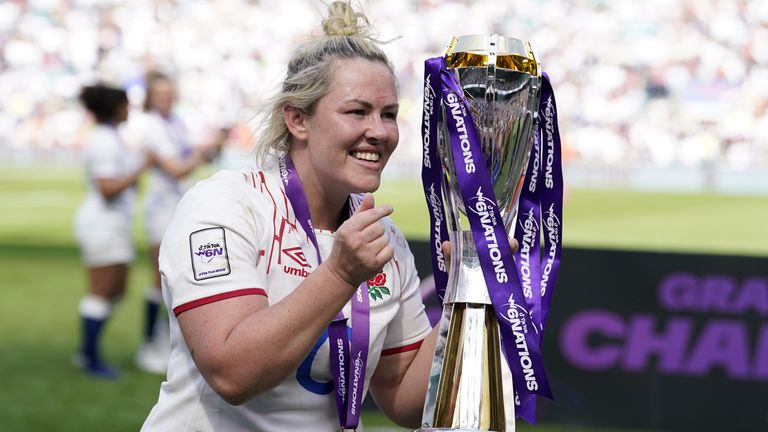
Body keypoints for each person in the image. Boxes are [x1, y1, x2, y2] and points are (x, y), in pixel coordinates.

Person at [141, 1, 442, 429]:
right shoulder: (224, 206)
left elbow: (404, 401)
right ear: (298, 120)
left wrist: (465, 299)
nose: (379, 131)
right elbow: (231, 373)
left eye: (389, 114)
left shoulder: (382, 238)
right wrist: (339, 275)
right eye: (357, 111)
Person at [136, 70, 228, 374]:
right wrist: (201, 151)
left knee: (175, 278)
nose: (166, 98)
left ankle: (168, 342)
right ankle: (150, 343)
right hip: (161, 208)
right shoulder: (151, 127)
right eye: (160, 94)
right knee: (158, 278)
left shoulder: (174, 122)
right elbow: (176, 168)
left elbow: (190, 159)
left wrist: (213, 145)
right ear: (150, 97)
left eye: (169, 93)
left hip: (178, 205)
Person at [73, 84, 153, 379]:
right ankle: (89, 356)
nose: (129, 109)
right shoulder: (104, 140)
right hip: (102, 222)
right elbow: (107, 188)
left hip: (112, 222)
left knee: (115, 291)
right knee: (102, 292)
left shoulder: (111, 137)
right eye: (125, 104)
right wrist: (141, 167)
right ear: (115, 107)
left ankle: (88, 351)